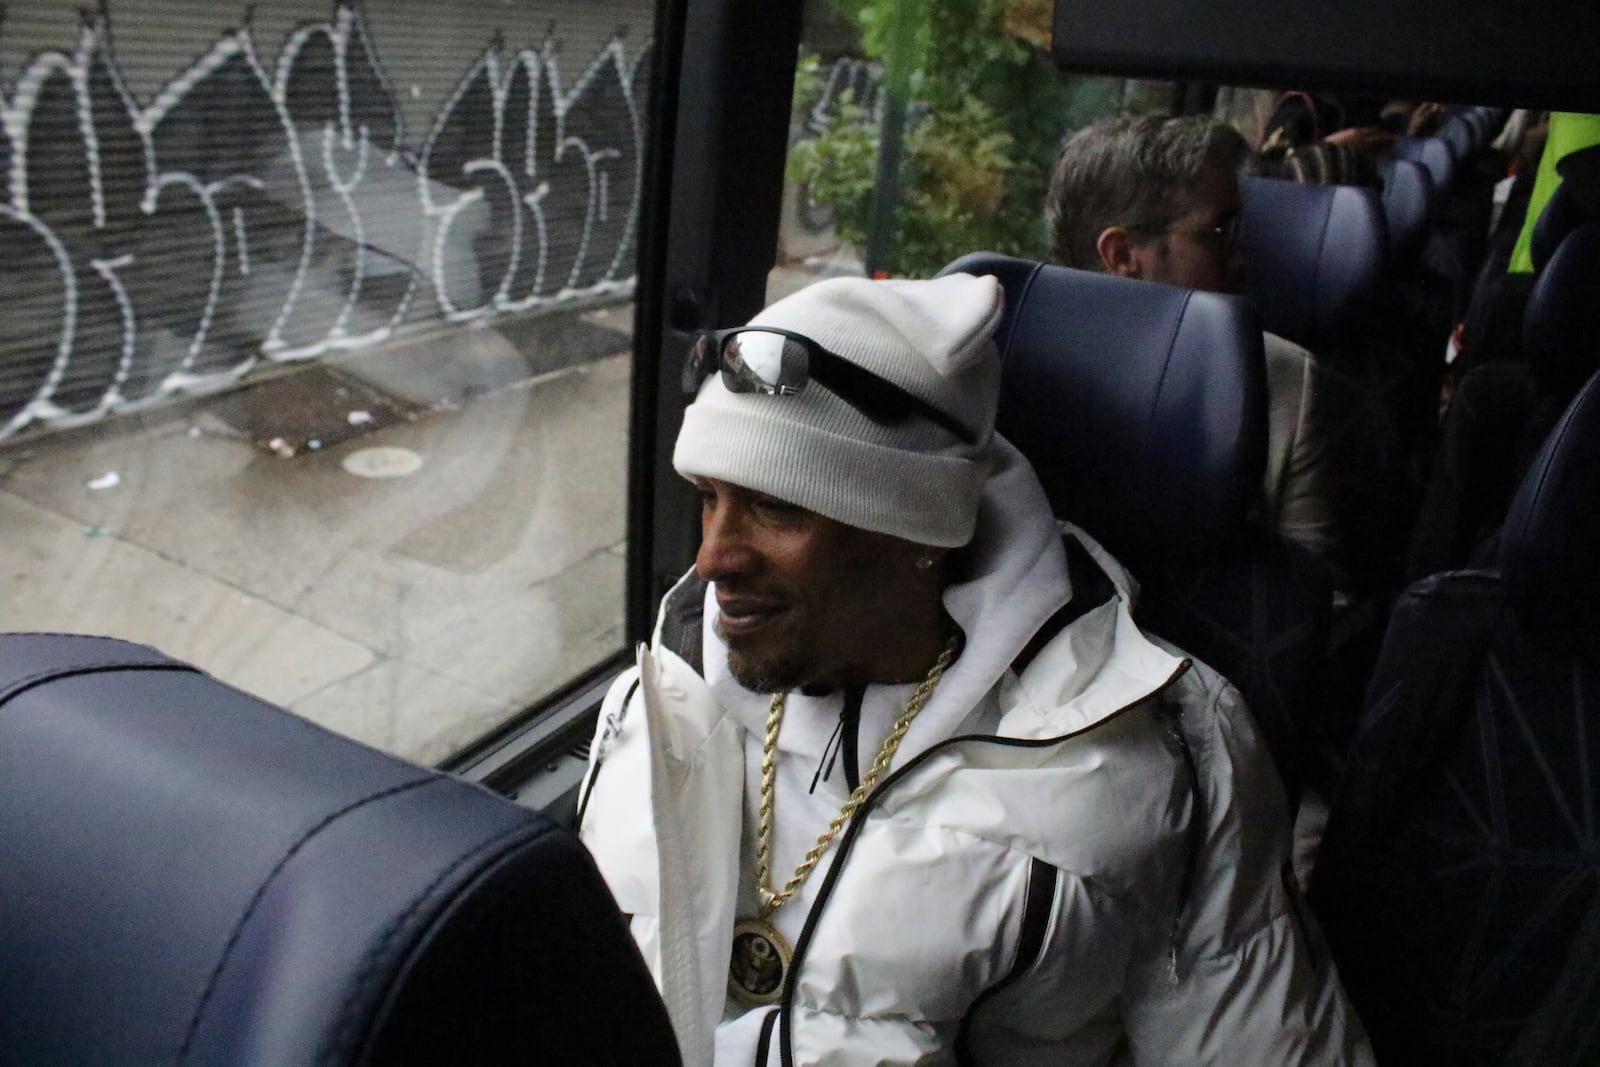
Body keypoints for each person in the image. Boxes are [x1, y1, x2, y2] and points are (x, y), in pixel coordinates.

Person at [577, 272, 1373, 1065]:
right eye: (709, 498)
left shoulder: (1167, 752)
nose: (712, 558)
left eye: (777, 507)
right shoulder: (666, 691)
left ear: (920, 529)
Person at [1046, 114, 1347, 579]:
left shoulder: (1282, 376)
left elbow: (1302, 603)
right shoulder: (1009, 372)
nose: (1241, 260)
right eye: (1217, 235)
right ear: (1124, 256)